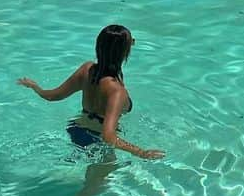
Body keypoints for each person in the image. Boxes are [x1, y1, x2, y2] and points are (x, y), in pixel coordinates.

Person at [17, 24, 165, 160]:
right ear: (124, 52)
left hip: (76, 129)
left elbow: (52, 96)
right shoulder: (117, 91)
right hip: (97, 140)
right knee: (94, 188)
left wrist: (36, 87)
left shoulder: (87, 70)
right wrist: (141, 152)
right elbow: (109, 136)